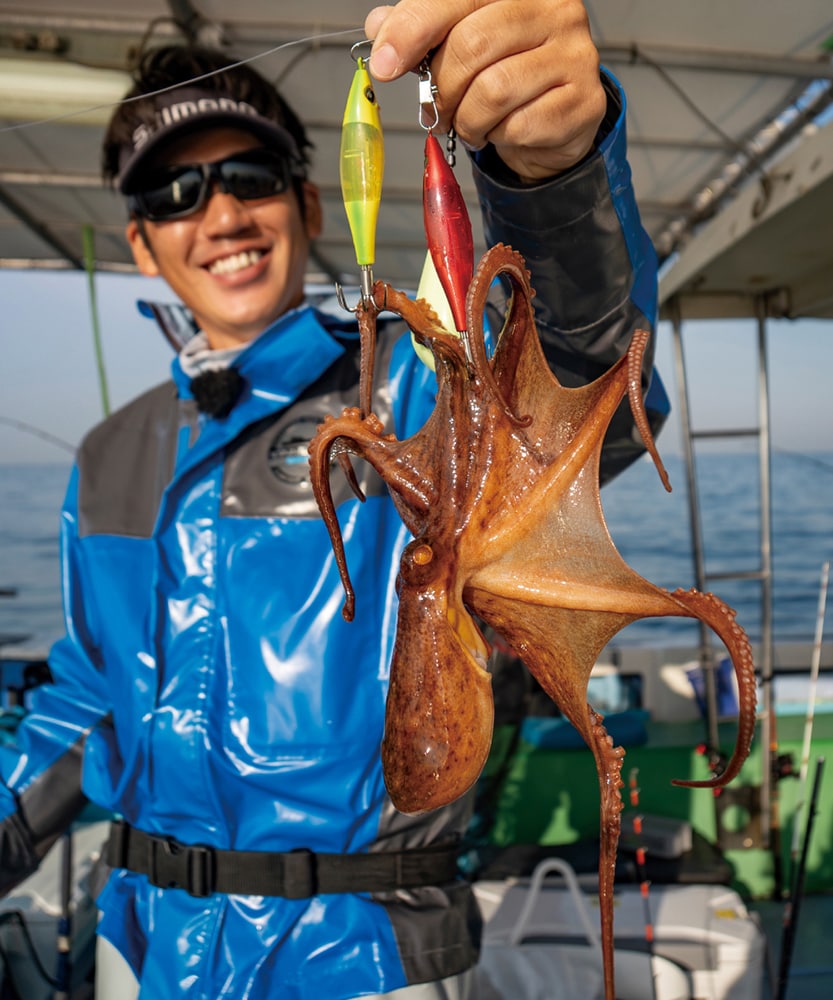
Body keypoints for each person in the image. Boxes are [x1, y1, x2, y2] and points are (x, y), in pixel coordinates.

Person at [0, 1, 666, 997]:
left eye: (250, 176)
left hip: (361, 956)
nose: (220, 212)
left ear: (312, 204)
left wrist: (554, 180)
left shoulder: (404, 387)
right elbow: (92, 688)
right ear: (142, 244)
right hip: (140, 950)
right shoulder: (113, 452)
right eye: (178, 192)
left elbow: (585, 385)